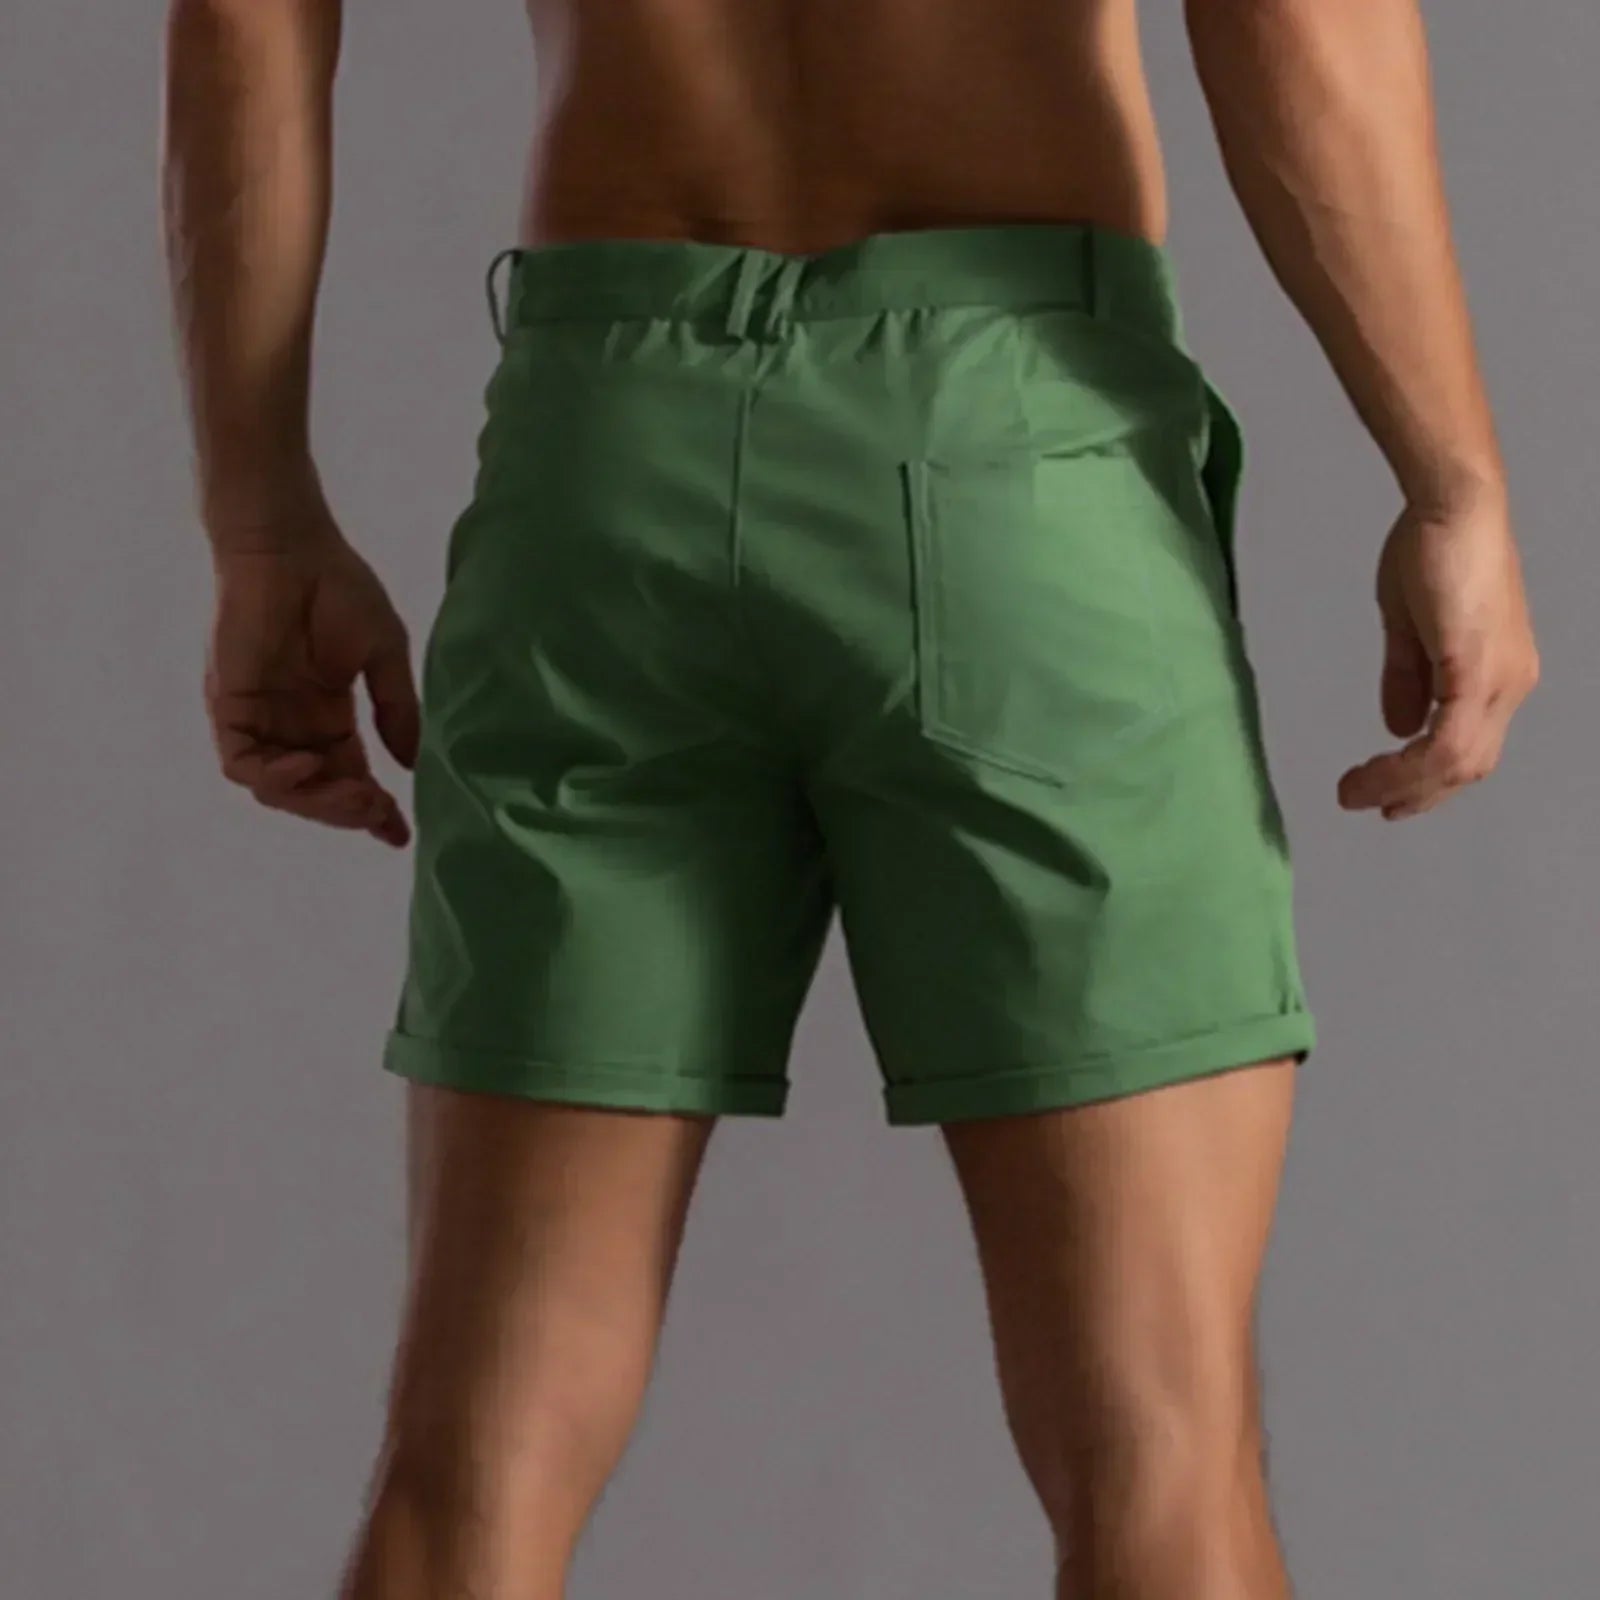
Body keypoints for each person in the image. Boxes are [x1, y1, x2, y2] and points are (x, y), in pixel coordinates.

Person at [159, 1, 1539, 1596]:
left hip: (608, 448)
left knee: (477, 1454)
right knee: (1154, 1447)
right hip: (1012, 444)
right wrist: (1453, 482)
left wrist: (261, 519)